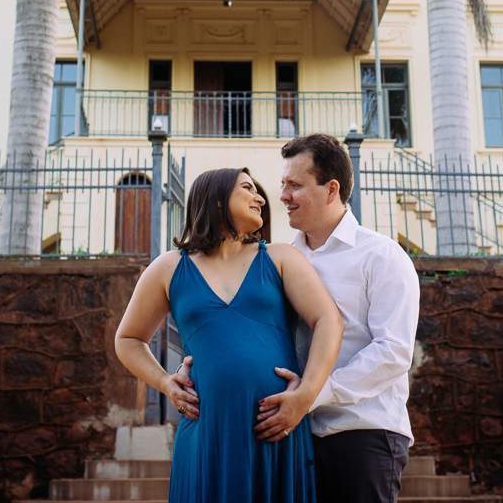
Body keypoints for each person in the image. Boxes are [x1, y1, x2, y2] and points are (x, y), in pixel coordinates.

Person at [176, 135, 421, 503]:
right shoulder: (279, 258)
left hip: (360, 431)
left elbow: (394, 351)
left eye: (295, 185)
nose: (283, 196)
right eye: (283, 185)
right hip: (290, 437)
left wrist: (310, 396)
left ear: (331, 189)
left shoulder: (382, 256)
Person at [114, 167, 343, 503]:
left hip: (276, 428)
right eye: (247, 188)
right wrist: (165, 383)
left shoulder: (280, 257)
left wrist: (305, 396)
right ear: (217, 198)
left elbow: (328, 320)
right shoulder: (168, 268)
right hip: (207, 432)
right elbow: (128, 339)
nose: (260, 198)